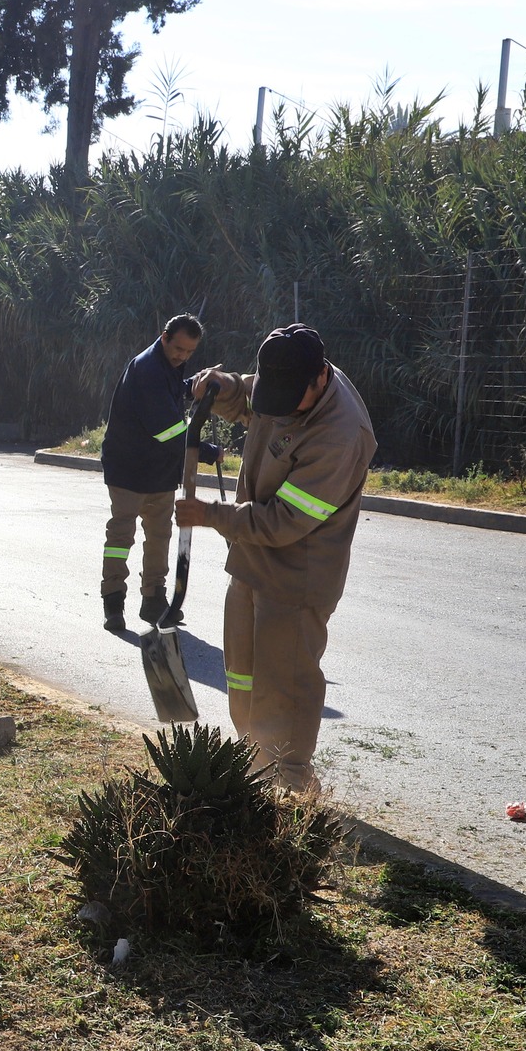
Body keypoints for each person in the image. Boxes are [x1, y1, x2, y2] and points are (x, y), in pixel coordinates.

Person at [178, 324, 377, 796]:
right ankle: (252, 770)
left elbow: (285, 522)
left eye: (293, 398)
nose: (280, 406)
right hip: (252, 562)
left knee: (284, 689)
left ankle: (293, 794)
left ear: (319, 379)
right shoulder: (287, 382)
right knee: (243, 677)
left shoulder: (340, 434)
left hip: (296, 576)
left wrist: (211, 514)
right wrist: (223, 387)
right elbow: (251, 397)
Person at [99, 314, 205, 631]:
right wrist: (204, 449)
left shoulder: (167, 366)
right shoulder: (147, 369)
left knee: (159, 537)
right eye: (178, 349)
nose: (182, 356)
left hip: (159, 471)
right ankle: (113, 603)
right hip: (128, 470)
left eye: (189, 352)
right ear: (164, 338)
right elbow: (169, 431)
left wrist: (193, 386)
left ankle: (154, 602)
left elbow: (172, 393)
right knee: (121, 536)